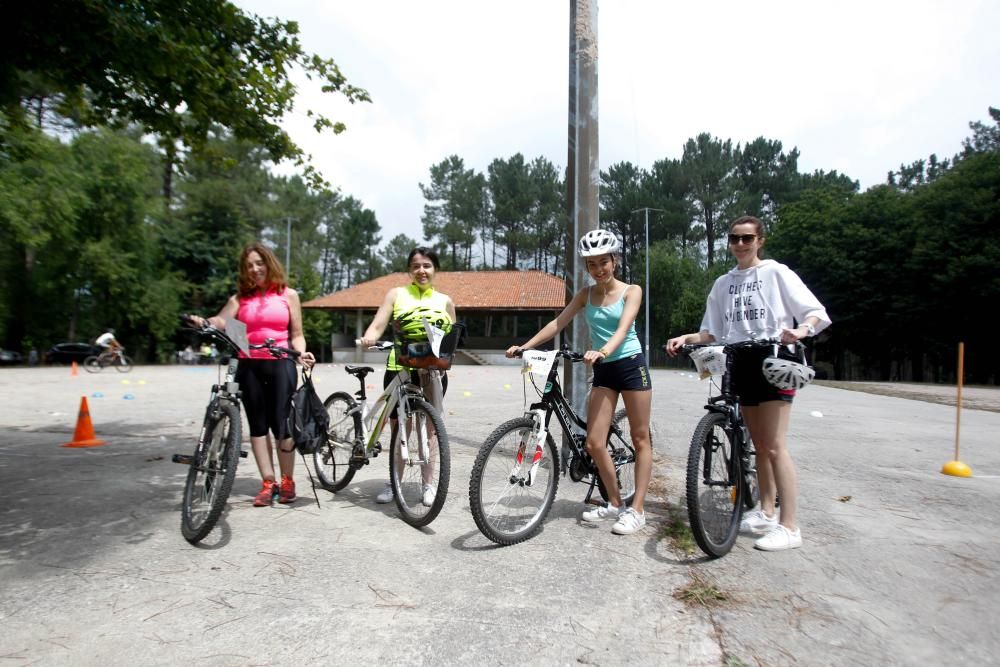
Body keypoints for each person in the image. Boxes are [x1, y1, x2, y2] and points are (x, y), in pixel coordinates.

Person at [666, 215, 831, 551]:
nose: (740, 244)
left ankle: (790, 526)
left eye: (747, 238)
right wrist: (686, 336)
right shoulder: (722, 284)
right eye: (734, 238)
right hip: (738, 359)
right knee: (757, 441)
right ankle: (767, 511)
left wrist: (801, 330)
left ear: (760, 240)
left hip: (773, 358)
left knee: (774, 445)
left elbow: (815, 311)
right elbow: (712, 332)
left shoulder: (776, 272)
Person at [506, 229, 653, 536]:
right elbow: (558, 322)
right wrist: (526, 346)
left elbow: (624, 328)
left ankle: (637, 509)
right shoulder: (586, 295)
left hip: (629, 365)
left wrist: (603, 350)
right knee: (594, 442)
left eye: (603, 262)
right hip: (603, 370)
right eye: (592, 264)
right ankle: (615, 503)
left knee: (640, 439)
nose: (598, 269)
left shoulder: (631, 291)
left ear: (614, 260)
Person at [190, 242, 315, 507]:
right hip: (248, 364)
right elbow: (222, 320)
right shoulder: (240, 299)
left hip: (281, 362)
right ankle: (268, 483)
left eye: (259, 263)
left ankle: (287, 481)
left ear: (269, 263)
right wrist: (205, 322)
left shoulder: (288, 295)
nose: (255, 269)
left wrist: (301, 353)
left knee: (283, 425)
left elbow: (297, 334)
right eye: (249, 266)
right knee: (258, 425)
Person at [359, 247, 456, 506]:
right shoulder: (397, 294)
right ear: (409, 270)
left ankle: (428, 485)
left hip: (432, 370)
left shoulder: (445, 301)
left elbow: (450, 338)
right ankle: (394, 482)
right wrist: (370, 337)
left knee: (431, 430)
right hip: (399, 367)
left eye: (427, 265)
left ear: (435, 269)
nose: (421, 270)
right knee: (401, 427)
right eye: (415, 266)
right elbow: (379, 323)